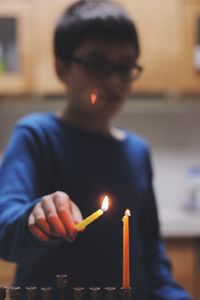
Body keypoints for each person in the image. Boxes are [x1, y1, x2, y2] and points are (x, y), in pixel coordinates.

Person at [0, 0, 191, 299]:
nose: (113, 81)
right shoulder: (36, 136)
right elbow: (5, 229)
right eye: (96, 65)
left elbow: (152, 256)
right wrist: (34, 218)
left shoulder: (138, 152)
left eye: (125, 67)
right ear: (61, 68)